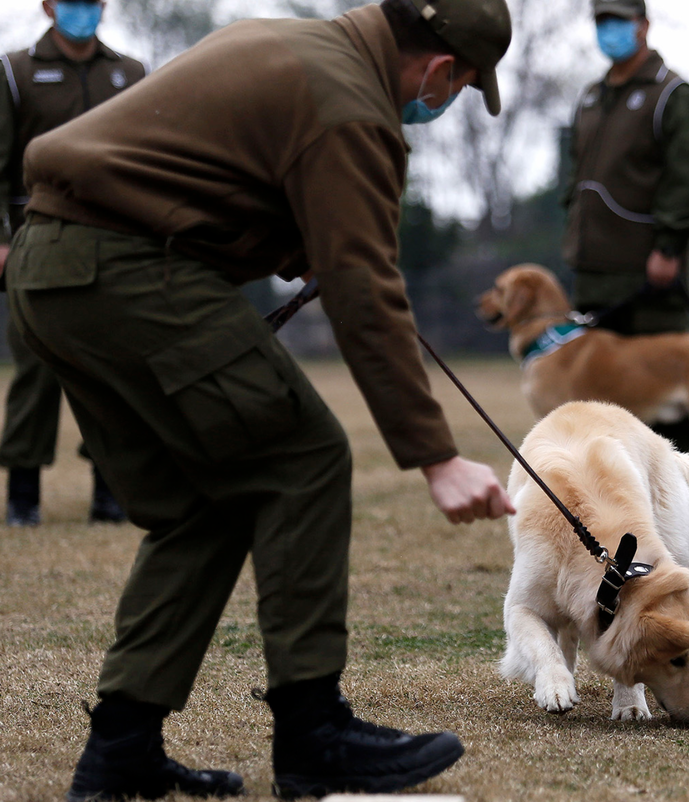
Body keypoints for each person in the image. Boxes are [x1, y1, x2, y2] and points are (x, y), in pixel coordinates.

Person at [6, 0, 514, 798]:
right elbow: (365, 287)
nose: (440, 106)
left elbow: (208, 177)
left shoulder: (296, 44)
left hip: (51, 268)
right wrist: (436, 455)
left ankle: (121, 748)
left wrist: (290, 239)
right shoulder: (351, 103)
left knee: (201, 502)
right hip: (128, 272)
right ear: (443, 70)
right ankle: (315, 733)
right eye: (460, 89)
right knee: (303, 456)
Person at [0, 0, 143, 526]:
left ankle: (110, 494)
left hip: (115, 245)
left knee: (113, 371)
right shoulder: (15, 73)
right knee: (35, 370)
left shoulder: (130, 74)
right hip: (34, 245)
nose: (83, 9)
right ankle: (23, 497)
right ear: (47, 6)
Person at [561, 0, 689, 453]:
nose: (609, 30)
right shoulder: (590, 97)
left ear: (643, 25)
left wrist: (669, 247)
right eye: (601, 21)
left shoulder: (673, 95)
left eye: (618, 20)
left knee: (663, 398)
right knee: (598, 397)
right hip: (593, 271)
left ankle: (687, 495)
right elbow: (577, 174)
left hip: (647, 275)